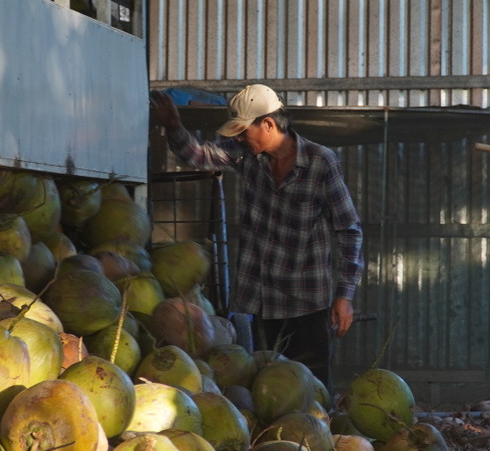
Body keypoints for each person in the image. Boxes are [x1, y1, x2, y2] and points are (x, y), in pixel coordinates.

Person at [149, 84, 364, 390]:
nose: (237, 138)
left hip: (306, 302)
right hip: (260, 301)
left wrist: (345, 296)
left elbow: (349, 230)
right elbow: (200, 156)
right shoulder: (246, 154)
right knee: (264, 390)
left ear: (268, 124)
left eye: (242, 131)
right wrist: (174, 126)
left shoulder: (320, 162)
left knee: (312, 392)